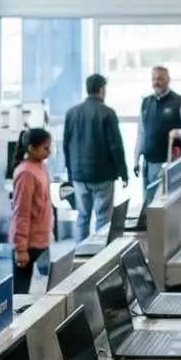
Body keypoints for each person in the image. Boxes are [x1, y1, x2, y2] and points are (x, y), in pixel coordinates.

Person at [62, 73, 129, 239]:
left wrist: (71, 172)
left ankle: (80, 256)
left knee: (82, 217)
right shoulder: (107, 113)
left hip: (79, 175)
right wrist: (123, 172)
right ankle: (99, 256)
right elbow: (115, 146)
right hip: (103, 175)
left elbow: (66, 145)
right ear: (101, 89)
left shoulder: (72, 113)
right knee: (103, 219)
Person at [133, 66, 181, 203]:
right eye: (154, 79)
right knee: (148, 203)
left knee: (164, 203)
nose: (157, 82)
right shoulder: (146, 102)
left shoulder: (180, 102)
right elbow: (141, 132)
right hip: (148, 162)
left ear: (168, 80)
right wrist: (136, 158)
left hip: (169, 163)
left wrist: (178, 133)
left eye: (160, 79)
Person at [10, 127, 54, 296]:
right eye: (45, 148)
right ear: (31, 148)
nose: (49, 152)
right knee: (21, 295)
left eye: (50, 147)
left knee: (45, 292)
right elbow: (21, 213)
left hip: (41, 241)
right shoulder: (26, 173)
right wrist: (20, 249)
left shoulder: (40, 167)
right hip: (27, 245)